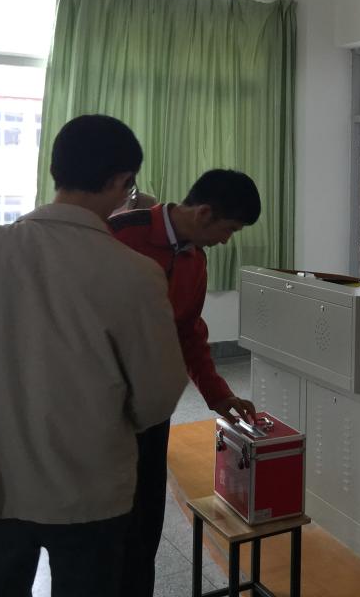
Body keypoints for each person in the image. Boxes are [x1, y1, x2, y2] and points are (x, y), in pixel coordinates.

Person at [0, 114, 188, 597]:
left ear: (55, 170)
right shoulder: (134, 273)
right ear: (122, 182)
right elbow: (157, 398)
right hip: (87, 492)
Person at [110, 169, 261, 597]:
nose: (226, 241)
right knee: (107, 521)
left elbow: (189, 333)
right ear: (205, 213)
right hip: (103, 408)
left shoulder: (195, 259)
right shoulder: (121, 233)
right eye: (229, 229)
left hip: (153, 407)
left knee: (145, 520)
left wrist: (220, 395)